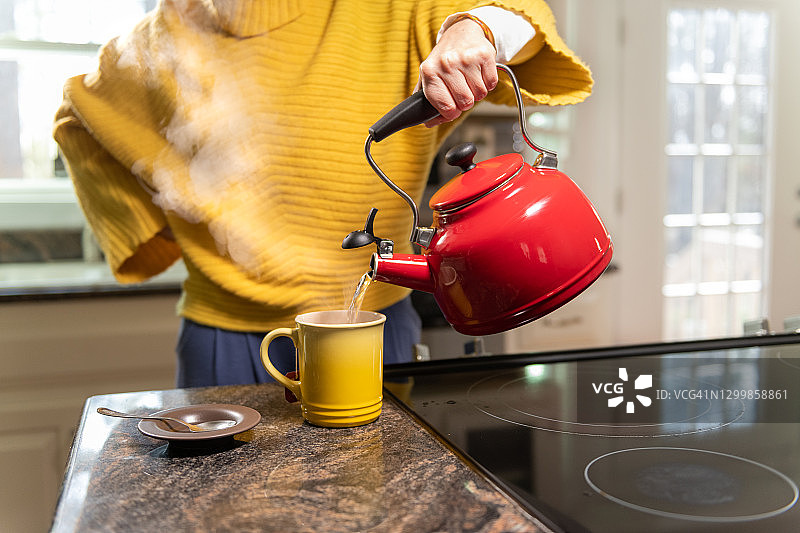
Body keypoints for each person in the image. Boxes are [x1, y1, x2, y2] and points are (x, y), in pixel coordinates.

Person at [54, 0, 592, 388]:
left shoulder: (390, 9)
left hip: (376, 325)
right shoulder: (159, 41)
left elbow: (518, 14)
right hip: (225, 335)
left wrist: (472, 34)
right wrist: (164, 219)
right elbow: (75, 116)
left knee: (376, 498)